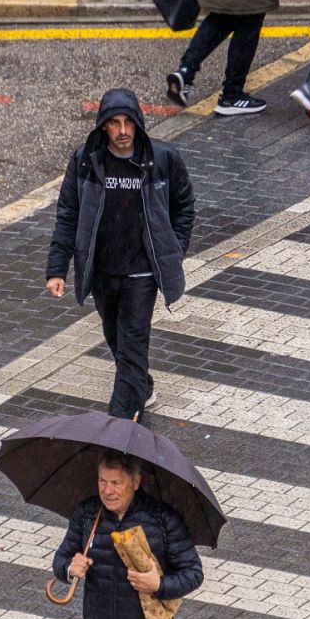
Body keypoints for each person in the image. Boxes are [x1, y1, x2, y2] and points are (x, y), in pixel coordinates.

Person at [47, 89, 195, 424]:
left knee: (132, 346)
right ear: (103, 127)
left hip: (141, 275)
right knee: (116, 337)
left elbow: (184, 207)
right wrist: (57, 268)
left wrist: (173, 250)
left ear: (139, 124)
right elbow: (68, 214)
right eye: (114, 123)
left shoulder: (162, 158)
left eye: (128, 122)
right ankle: (142, 387)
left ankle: (120, 428)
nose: (123, 130)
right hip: (101, 271)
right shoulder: (85, 160)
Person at [52, 451, 204, 619]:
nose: (107, 491)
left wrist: (158, 584)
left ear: (135, 482)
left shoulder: (163, 519)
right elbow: (61, 560)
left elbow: (193, 573)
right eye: (102, 481)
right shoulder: (88, 513)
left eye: (116, 483)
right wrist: (70, 568)